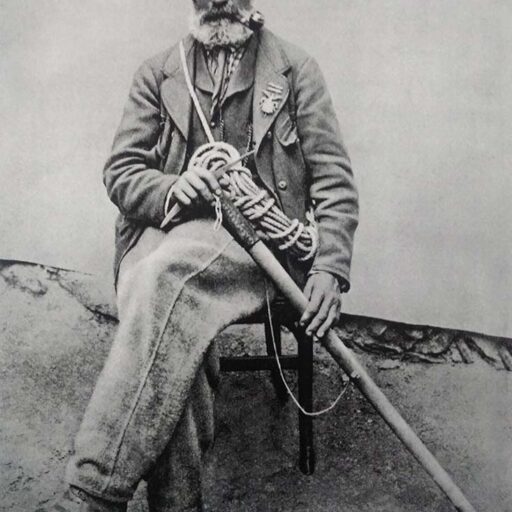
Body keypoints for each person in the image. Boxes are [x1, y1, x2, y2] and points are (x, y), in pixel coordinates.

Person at [40, 0, 358, 510]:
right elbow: (121, 171)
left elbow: (334, 180)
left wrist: (329, 267)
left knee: (164, 282)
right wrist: (173, 186)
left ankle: (93, 492)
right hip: (162, 230)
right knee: (167, 302)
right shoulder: (158, 72)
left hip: (257, 247)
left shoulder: (296, 71)